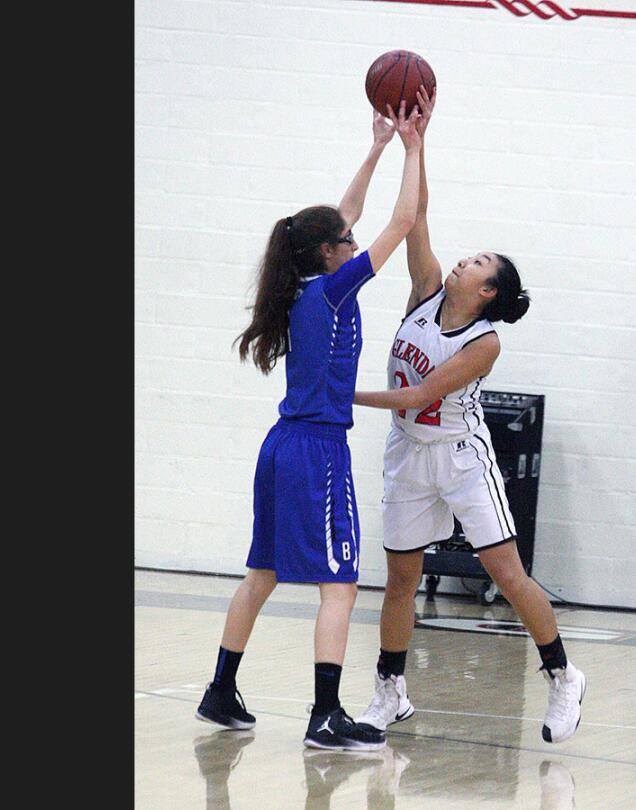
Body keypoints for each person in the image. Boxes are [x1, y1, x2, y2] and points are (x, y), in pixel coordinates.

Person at [350, 87, 586, 744]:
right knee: (401, 579)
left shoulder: (483, 342)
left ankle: (563, 675)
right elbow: (414, 216)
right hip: (408, 456)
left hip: (459, 457)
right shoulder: (425, 292)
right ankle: (390, 690)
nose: (462, 258)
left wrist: (335, 399)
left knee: (507, 574)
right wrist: (413, 142)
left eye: (477, 263)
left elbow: (414, 399)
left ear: (488, 293)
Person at [195, 102, 427, 751]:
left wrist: (376, 148)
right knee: (340, 583)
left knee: (262, 574)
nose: (354, 243)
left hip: (280, 448)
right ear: (330, 254)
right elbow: (401, 221)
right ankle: (326, 713)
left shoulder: (301, 284)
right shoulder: (332, 290)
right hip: (316, 451)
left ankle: (220, 690)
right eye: (345, 242)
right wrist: (413, 147)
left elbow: (345, 216)